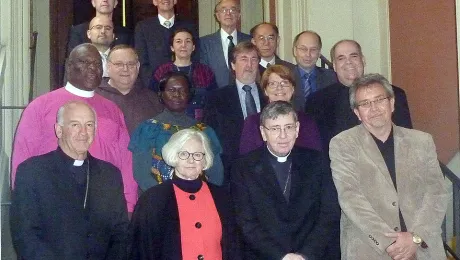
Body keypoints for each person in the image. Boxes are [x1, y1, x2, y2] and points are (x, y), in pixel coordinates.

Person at [329, 73, 449, 260]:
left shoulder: (422, 141)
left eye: (379, 100)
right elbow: (350, 197)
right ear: (356, 112)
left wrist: (415, 237)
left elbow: (437, 193)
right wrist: (391, 244)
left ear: (392, 103)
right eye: (365, 103)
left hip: (422, 249)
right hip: (370, 250)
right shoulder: (342, 144)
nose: (374, 108)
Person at [11, 43, 137, 213]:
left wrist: (129, 206)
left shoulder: (112, 110)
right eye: (85, 62)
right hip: (52, 202)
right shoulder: (40, 106)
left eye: (97, 64)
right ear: (69, 66)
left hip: (103, 204)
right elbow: (23, 155)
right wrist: (23, 205)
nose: (92, 68)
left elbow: (126, 160)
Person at [11, 101, 129, 259]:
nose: (83, 132)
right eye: (75, 125)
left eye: (89, 125)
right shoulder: (32, 172)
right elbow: (26, 236)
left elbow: (120, 233)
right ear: (59, 130)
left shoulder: (110, 174)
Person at [231, 101, 340, 259]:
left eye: (288, 127)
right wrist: (282, 256)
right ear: (263, 132)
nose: (283, 135)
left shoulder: (318, 162)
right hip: (265, 256)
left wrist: (306, 254)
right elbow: (246, 223)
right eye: (275, 129)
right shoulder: (243, 168)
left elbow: (328, 213)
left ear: (297, 129)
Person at [129, 129, 241, 260]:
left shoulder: (222, 197)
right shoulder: (153, 200)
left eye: (197, 155)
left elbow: (234, 246)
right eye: (184, 154)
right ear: (173, 156)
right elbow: (141, 251)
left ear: (205, 160)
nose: (191, 160)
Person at [306, 39, 412, 152]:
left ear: (363, 60)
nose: (348, 62)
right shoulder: (317, 102)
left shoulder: (394, 94)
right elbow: (315, 151)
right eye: (341, 58)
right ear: (335, 66)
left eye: (354, 56)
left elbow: (406, 140)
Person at [129, 71, 224, 192]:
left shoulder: (205, 131)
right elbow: (142, 175)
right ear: (161, 94)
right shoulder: (148, 129)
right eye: (171, 90)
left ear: (190, 94)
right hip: (160, 199)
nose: (177, 95)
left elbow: (216, 175)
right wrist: (170, 198)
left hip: (199, 198)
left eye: (183, 90)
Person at [204, 41, 267, 181]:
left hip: (266, 166)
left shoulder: (269, 95)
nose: (249, 65)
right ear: (233, 65)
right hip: (231, 169)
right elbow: (211, 137)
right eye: (243, 59)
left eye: (254, 59)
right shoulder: (217, 98)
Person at [239, 64, 321, 155]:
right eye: (273, 84)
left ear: (293, 89)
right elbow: (246, 160)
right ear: (265, 90)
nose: (279, 88)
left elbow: (315, 157)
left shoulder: (307, 121)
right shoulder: (253, 122)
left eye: (284, 83)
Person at [151, 28, 217, 121]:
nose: (183, 45)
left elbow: (213, 101)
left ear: (193, 47)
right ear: (172, 47)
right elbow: (154, 99)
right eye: (178, 41)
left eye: (188, 41)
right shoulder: (161, 71)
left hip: (199, 123)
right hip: (167, 123)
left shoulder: (205, 72)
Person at [96, 45, 163, 134]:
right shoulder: (95, 96)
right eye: (119, 64)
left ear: (138, 66)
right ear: (108, 66)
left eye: (131, 64)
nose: (125, 69)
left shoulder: (152, 99)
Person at [135, 0, 199, 88]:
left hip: (185, 86)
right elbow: (141, 61)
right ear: (155, 2)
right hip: (154, 87)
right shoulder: (143, 27)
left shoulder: (189, 25)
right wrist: (153, 85)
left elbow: (195, 56)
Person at [200, 0, 251, 88]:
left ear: (239, 15)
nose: (228, 13)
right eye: (224, 10)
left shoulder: (249, 41)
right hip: (215, 96)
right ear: (217, 16)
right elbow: (202, 74)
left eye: (232, 10)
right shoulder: (204, 43)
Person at [292, 30, 337, 111]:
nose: (308, 54)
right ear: (295, 51)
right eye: (303, 49)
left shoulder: (332, 78)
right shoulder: (285, 78)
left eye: (313, 49)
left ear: (319, 53)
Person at [67, 0, 132, 56]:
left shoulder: (126, 34)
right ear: (93, 2)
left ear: (115, 3)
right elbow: (72, 64)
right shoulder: (78, 31)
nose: (105, 0)